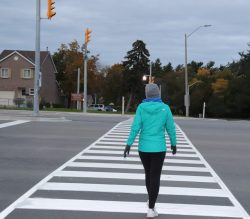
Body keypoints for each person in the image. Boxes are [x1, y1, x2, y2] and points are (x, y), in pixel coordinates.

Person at [124, 83, 177, 218]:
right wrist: (173, 143)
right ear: (158, 94)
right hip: (159, 148)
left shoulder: (141, 108)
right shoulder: (165, 108)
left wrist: (128, 144)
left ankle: (150, 202)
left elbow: (136, 127)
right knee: (155, 177)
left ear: (147, 94)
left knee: (148, 175)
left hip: (144, 148)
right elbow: (170, 127)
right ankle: (151, 207)